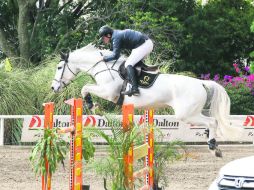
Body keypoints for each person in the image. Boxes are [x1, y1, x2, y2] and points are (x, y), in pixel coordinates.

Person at [99, 25, 154, 96]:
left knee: (128, 64)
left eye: (103, 38)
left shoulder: (116, 37)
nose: (103, 40)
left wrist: (104, 58)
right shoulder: (116, 35)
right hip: (145, 43)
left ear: (108, 35)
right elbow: (114, 51)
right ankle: (142, 83)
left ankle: (135, 89)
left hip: (143, 45)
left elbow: (115, 56)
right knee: (132, 63)